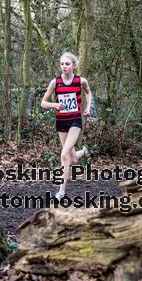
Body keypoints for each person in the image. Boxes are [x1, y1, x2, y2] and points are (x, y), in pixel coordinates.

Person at [41, 52, 92, 200]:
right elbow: (43, 103)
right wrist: (54, 105)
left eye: (67, 64)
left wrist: (88, 107)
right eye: (62, 64)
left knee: (64, 155)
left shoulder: (81, 81)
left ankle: (61, 192)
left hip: (75, 121)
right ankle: (83, 152)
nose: (64, 67)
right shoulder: (55, 82)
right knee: (72, 159)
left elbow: (88, 93)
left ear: (74, 66)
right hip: (61, 122)